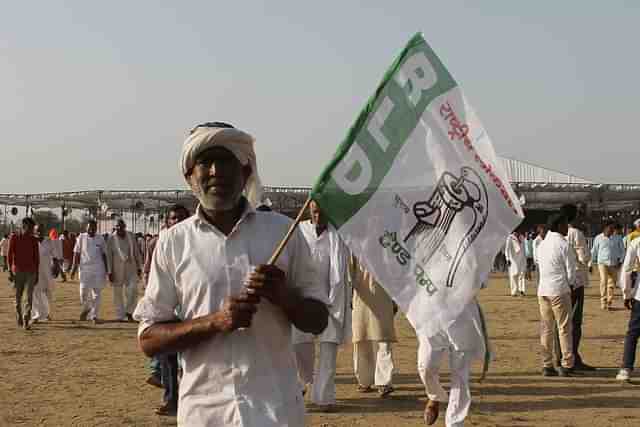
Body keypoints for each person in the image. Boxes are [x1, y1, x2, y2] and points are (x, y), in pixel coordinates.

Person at [133, 121, 329, 426]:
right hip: (205, 412)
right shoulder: (173, 242)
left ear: (246, 171)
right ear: (189, 175)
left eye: (225, 161)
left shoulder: (282, 232)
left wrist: (285, 298)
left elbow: (318, 320)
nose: (215, 171)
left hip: (276, 410)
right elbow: (149, 340)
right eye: (205, 162)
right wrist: (214, 322)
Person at [292, 200, 351, 411]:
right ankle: (301, 384)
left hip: (331, 302)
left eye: (322, 212)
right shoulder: (298, 232)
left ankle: (324, 397)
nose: (319, 216)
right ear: (309, 211)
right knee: (299, 347)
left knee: (328, 352)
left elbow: (341, 272)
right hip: (303, 302)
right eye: (315, 212)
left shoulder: (338, 236)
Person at [144, 204, 190, 416]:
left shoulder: (197, 243)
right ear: (167, 222)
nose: (177, 222)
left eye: (181, 218)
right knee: (168, 355)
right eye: (173, 218)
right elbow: (149, 272)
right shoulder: (158, 243)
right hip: (168, 305)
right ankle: (171, 399)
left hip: (192, 306)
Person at [418, 300, 487, 426]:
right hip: (431, 314)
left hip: (462, 317)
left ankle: (454, 422)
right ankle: (434, 396)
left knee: (460, 374)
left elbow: (480, 282)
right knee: (426, 366)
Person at [350, 255, 396, 397]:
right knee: (365, 340)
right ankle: (372, 382)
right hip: (364, 297)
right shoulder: (354, 244)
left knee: (380, 340)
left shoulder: (384, 243)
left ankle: (376, 382)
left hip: (377, 296)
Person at [536, 214, 576, 377]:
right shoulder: (564, 244)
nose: (568, 228)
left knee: (546, 328)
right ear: (559, 226)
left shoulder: (542, 244)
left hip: (543, 290)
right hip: (559, 289)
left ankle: (547, 364)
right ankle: (567, 363)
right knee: (564, 328)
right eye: (566, 224)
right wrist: (570, 286)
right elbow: (571, 272)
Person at [559, 204, 596, 371]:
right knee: (575, 321)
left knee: (560, 322)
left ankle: (562, 356)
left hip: (560, 282)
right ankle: (573, 356)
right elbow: (584, 256)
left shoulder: (555, 234)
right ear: (575, 217)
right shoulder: (576, 233)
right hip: (576, 282)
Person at [71, 220, 108, 324]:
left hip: (98, 269)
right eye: (89, 228)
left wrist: (107, 269)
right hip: (84, 269)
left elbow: (104, 255)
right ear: (86, 228)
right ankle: (87, 307)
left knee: (96, 293)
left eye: (93, 228)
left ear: (96, 228)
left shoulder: (100, 238)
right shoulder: (81, 237)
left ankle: (94, 316)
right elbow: (76, 253)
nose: (91, 230)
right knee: (83, 292)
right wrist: (73, 268)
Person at [106, 219, 143, 322]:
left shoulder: (131, 236)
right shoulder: (111, 238)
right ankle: (120, 315)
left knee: (133, 290)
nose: (119, 228)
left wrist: (139, 267)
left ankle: (130, 312)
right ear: (115, 227)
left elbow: (136, 252)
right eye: (117, 226)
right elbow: (109, 256)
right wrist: (109, 272)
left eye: (121, 226)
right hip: (116, 269)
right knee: (117, 293)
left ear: (125, 227)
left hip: (131, 267)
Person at [8, 217, 40, 329]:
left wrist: (37, 274)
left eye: (33, 228)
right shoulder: (14, 237)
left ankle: (26, 318)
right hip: (17, 271)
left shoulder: (33, 240)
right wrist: (9, 271)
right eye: (31, 227)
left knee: (29, 296)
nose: (32, 230)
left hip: (31, 272)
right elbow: (9, 254)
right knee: (18, 296)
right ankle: (19, 315)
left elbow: (37, 258)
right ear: (24, 225)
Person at [616, 234, 640, 382]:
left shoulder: (637, 242)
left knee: (633, 332)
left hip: (639, 295)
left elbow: (627, 269)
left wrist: (626, 294)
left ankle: (626, 368)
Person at [592, 220, 624, 310]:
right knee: (603, 280)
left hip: (614, 264)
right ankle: (603, 301)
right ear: (605, 228)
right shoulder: (598, 238)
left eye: (613, 228)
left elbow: (622, 251)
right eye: (610, 228)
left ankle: (609, 300)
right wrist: (590, 262)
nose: (612, 230)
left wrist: (620, 261)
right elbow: (594, 250)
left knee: (612, 283)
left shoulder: (618, 238)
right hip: (602, 263)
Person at [31, 224, 60, 323]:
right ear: (34, 231)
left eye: (41, 230)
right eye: (37, 231)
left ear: (44, 231)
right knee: (36, 293)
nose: (39, 232)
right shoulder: (31, 242)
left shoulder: (49, 241)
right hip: (35, 271)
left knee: (48, 294)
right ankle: (37, 314)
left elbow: (55, 256)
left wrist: (56, 267)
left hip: (47, 271)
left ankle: (46, 313)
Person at [505, 231, 526, 296]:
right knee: (513, 275)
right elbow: (507, 249)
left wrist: (525, 259)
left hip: (521, 258)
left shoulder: (522, 237)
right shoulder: (510, 238)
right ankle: (513, 292)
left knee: (522, 274)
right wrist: (507, 259)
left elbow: (523, 248)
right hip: (513, 259)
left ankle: (521, 290)